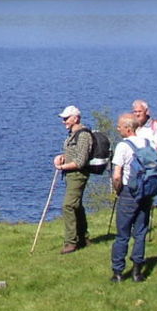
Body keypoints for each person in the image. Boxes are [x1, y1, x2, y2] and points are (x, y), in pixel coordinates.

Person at [109, 112, 157, 282]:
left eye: (120, 126)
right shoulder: (148, 142)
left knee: (122, 234)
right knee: (140, 232)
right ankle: (137, 272)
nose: (118, 128)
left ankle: (118, 272)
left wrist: (117, 190)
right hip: (146, 193)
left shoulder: (123, 146)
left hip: (128, 193)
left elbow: (117, 175)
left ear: (128, 128)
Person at [52, 105, 93, 254]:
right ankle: (83, 238)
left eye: (66, 118)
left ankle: (70, 242)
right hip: (71, 175)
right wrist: (62, 158)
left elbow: (80, 161)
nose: (64, 121)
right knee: (77, 206)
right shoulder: (72, 134)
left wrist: (62, 167)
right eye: (63, 119)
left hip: (78, 175)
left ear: (76, 118)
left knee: (68, 206)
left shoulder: (83, 136)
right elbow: (73, 154)